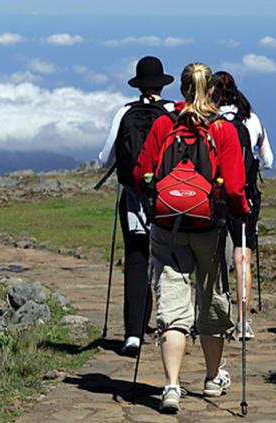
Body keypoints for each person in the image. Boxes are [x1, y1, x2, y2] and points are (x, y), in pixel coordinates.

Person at [133, 62, 250, 413]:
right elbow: (233, 186)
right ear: (212, 90)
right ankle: (213, 378)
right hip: (209, 229)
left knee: (172, 305)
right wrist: (240, 210)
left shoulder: (164, 124)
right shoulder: (224, 130)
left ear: (181, 89)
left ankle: (170, 386)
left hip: (167, 227)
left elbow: (142, 173)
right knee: (212, 300)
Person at [98, 56, 177, 356]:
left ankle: (133, 333)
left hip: (132, 197)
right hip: (167, 199)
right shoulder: (172, 112)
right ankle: (170, 327)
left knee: (135, 259)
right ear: (162, 83)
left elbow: (105, 158)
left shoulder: (124, 112)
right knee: (169, 261)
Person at [211, 71, 274, 341]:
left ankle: (213, 317)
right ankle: (243, 321)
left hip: (213, 196)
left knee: (211, 257)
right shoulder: (252, 119)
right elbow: (268, 159)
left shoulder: (209, 120)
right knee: (242, 256)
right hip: (245, 196)